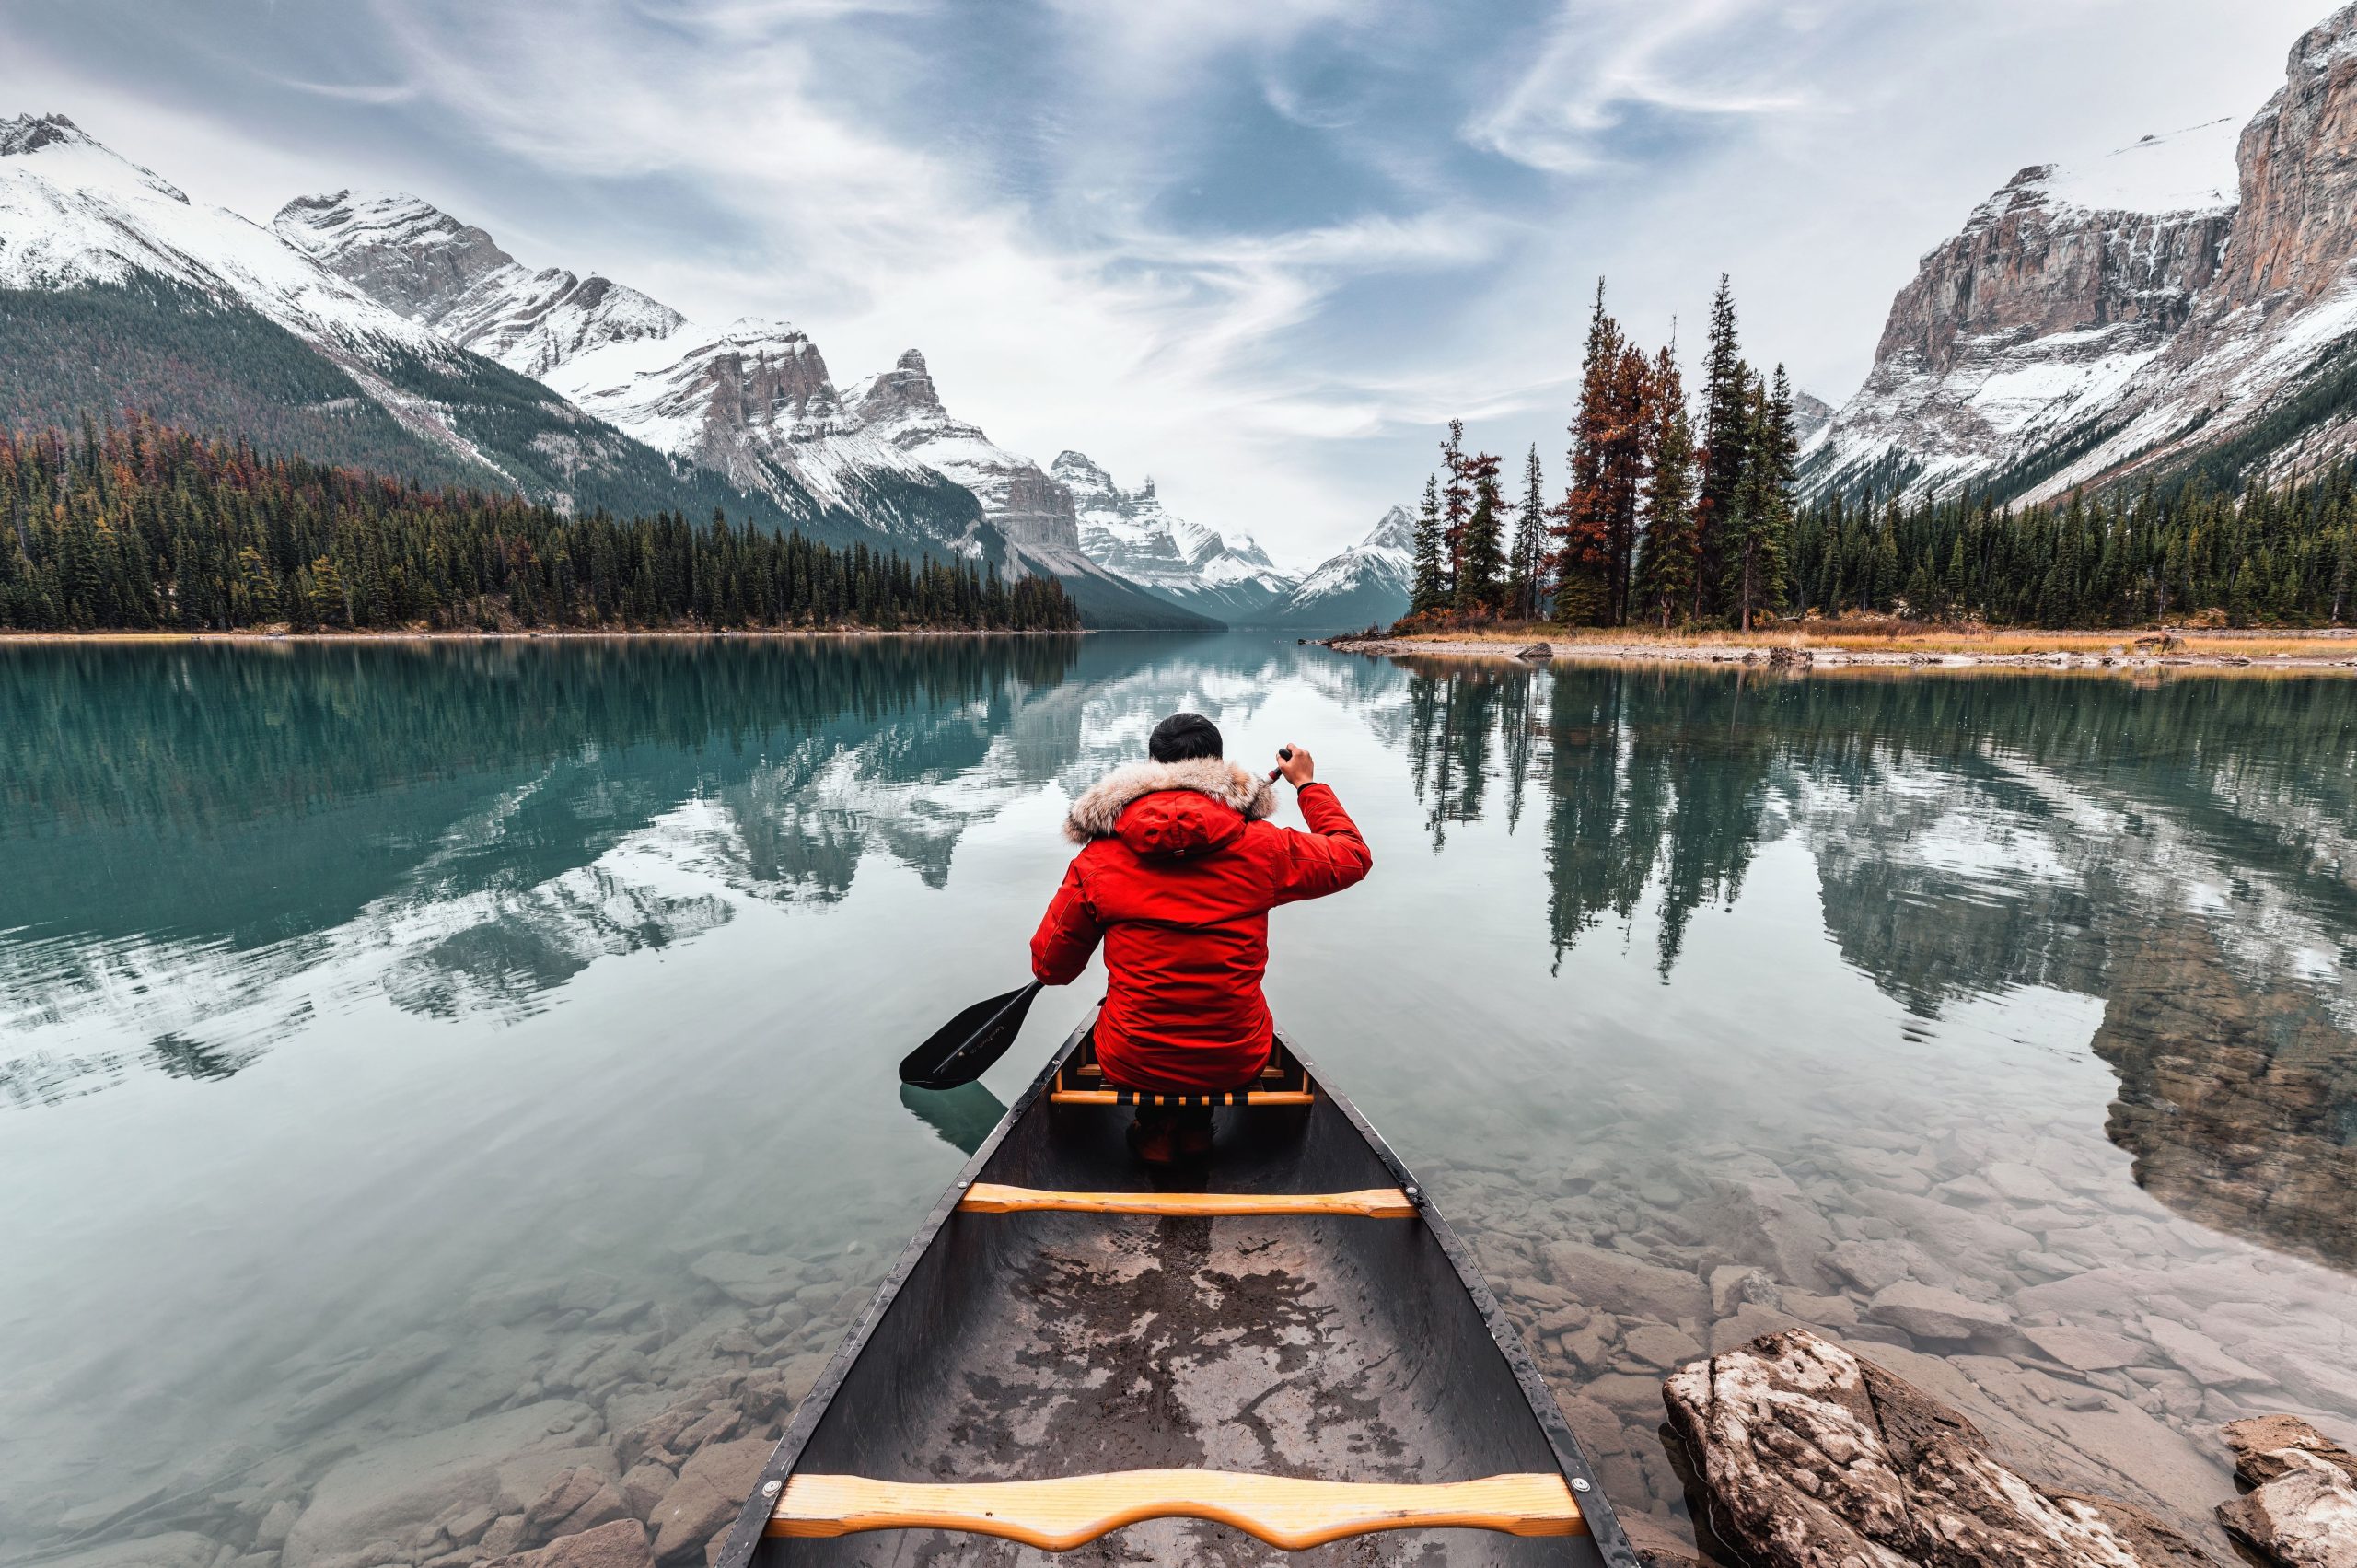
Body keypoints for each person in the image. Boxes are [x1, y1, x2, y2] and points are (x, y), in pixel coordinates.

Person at [1029, 712, 1373, 1163]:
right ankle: (1194, 1130)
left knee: (1131, 1030)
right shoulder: (1264, 847)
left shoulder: (1098, 860)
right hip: (1237, 1056)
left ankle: (1154, 1130)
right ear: (1217, 766)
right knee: (1221, 1034)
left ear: (1151, 769)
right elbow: (1353, 856)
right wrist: (1308, 786)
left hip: (1131, 1057)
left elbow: (1051, 969)